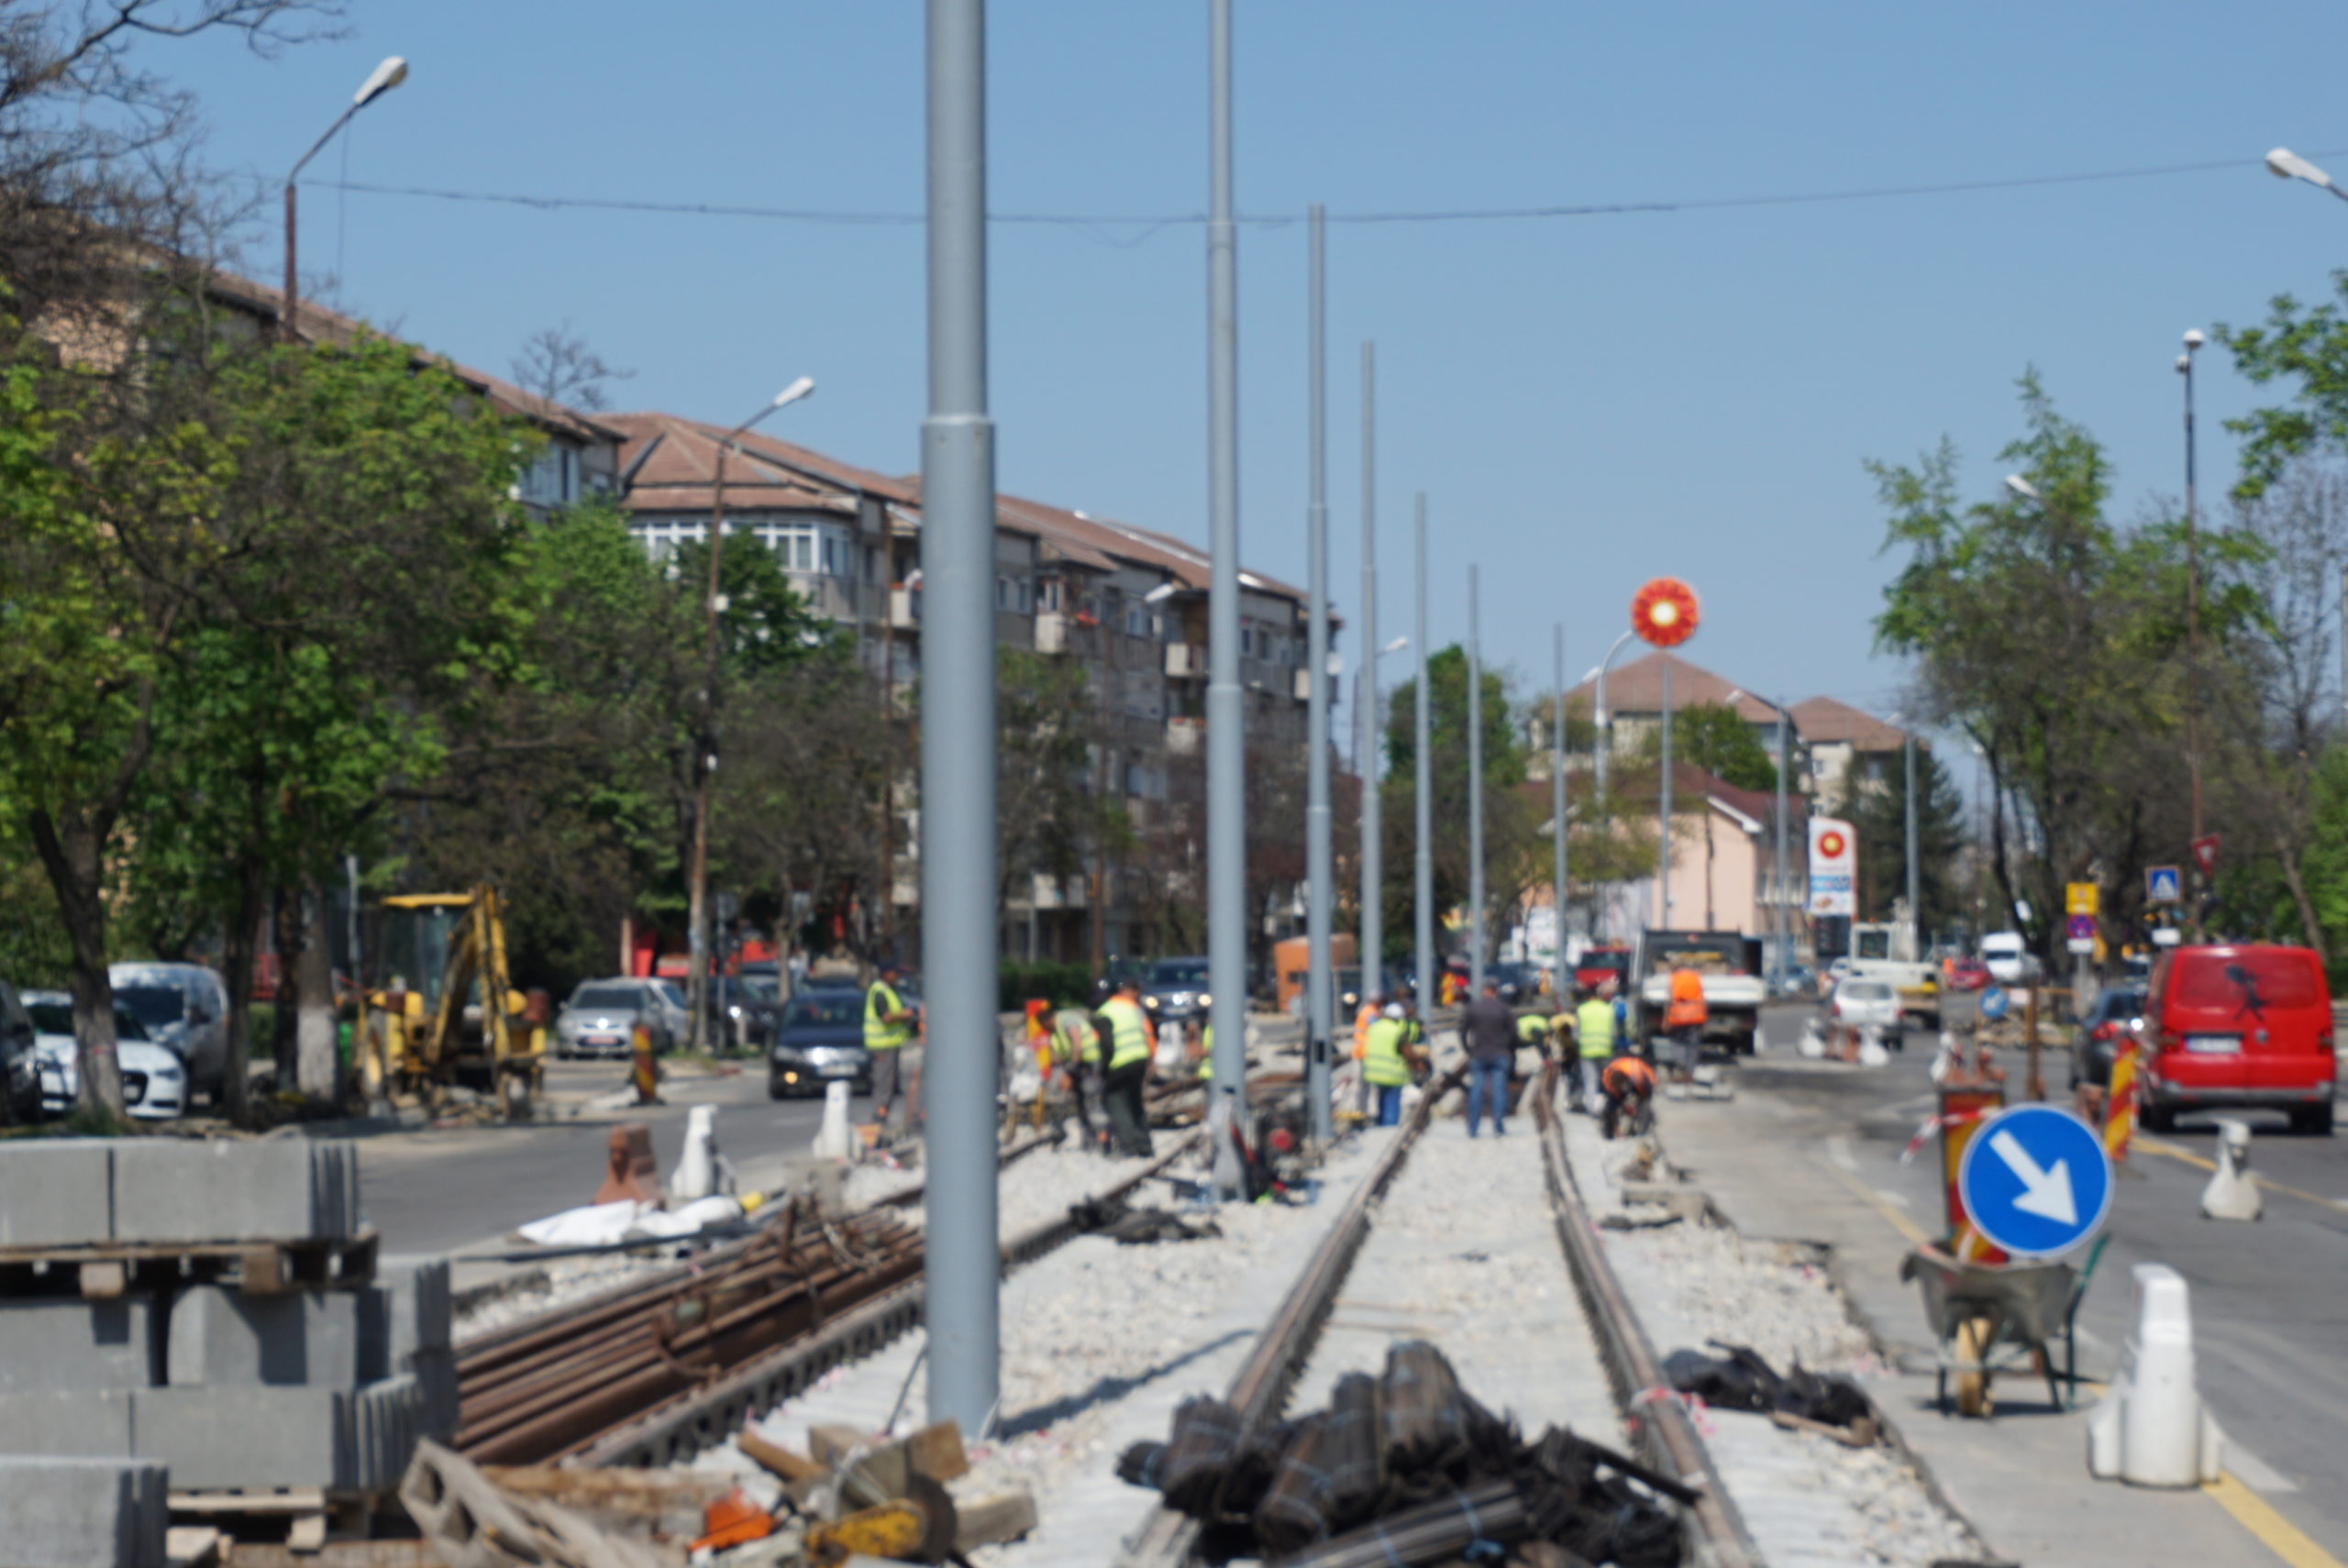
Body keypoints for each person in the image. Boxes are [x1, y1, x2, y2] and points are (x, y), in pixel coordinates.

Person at [1092, 976, 1157, 1156]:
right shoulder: (1131, 1009)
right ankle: (1145, 1146)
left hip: (1120, 1062)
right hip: (1139, 1059)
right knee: (1135, 1101)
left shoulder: (1104, 1013)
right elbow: (1147, 1033)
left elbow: (1107, 1045)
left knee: (1115, 1102)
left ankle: (1128, 1147)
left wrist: (1103, 1071)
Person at [863, 960, 915, 1134]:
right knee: (884, 1084)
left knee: (890, 1084)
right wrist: (904, 1015)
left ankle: (882, 1119)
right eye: (894, 972)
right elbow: (886, 1017)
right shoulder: (879, 992)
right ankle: (878, 1120)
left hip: (890, 1045)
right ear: (885, 974)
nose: (897, 976)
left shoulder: (888, 990)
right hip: (882, 1046)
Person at [1460, 979, 1516, 1138]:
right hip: (1499, 1054)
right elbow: (1513, 1033)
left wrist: (1468, 1050)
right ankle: (1498, 1125)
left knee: (1476, 1090)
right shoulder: (1503, 1008)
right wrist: (1509, 1050)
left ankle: (1473, 1127)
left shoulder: (1473, 1008)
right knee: (1498, 1090)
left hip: (1478, 1054)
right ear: (1495, 991)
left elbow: (1463, 1032)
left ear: (1483, 990)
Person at [1361, 1001, 1415, 1126]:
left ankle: (1380, 1123)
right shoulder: (1397, 1031)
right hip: (1392, 1073)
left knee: (1382, 1098)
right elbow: (1406, 1052)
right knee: (1392, 1100)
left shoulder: (1374, 1027)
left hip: (1374, 1071)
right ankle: (1389, 1127)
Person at [1662, 962, 1708, 1088]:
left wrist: (1665, 1020)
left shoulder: (1674, 978)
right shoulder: (1696, 977)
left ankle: (1679, 1069)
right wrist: (1705, 1018)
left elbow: (1669, 1000)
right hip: (1696, 1016)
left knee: (1678, 1043)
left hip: (1678, 1016)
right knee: (1692, 1046)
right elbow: (1703, 999)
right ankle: (1690, 1073)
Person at [1573, 984, 1616, 1113]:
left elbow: (1575, 1034)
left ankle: (1592, 1109)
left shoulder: (1581, 1010)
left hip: (1587, 1051)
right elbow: (1614, 1032)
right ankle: (1609, 1106)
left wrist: (1580, 1044)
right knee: (1608, 1080)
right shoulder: (1608, 1009)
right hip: (1606, 1050)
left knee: (1590, 1080)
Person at [1600, 1051, 1657, 1140]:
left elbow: (1643, 1093)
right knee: (1610, 1106)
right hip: (1624, 1072)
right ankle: (1609, 1133)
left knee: (1644, 1104)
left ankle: (1642, 1130)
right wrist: (1617, 1130)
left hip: (1644, 1078)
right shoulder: (1607, 1078)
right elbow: (1613, 1100)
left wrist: (1635, 1109)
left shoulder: (1637, 1077)